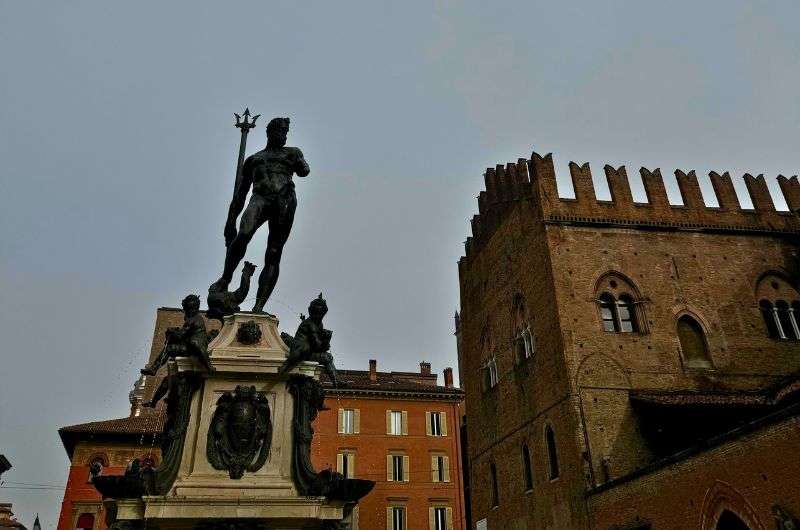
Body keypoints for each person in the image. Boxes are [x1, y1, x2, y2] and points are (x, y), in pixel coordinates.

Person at [211, 117, 310, 313]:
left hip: (284, 200)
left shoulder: (293, 153)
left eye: (286, 133)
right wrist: (230, 222)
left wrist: (300, 162)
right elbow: (240, 194)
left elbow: (304, 171)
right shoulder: (254, 160)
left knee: (273, 252)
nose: (283, 136)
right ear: (270, 133)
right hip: (260, 198)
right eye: (280, 132)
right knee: (243, 234)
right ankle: (226, 277)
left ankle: (259, 305)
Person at [141, 294, 213, 375]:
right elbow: (183, 333)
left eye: (186, 309)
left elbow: (181, 335)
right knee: (169, 348)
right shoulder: (193, 318)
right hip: (190, 346)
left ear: (190, 309)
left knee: (170, 348)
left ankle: (209, 366)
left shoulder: (194, 319)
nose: (185, 312)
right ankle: (154, 368)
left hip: (194, 348)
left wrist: (172, 332)